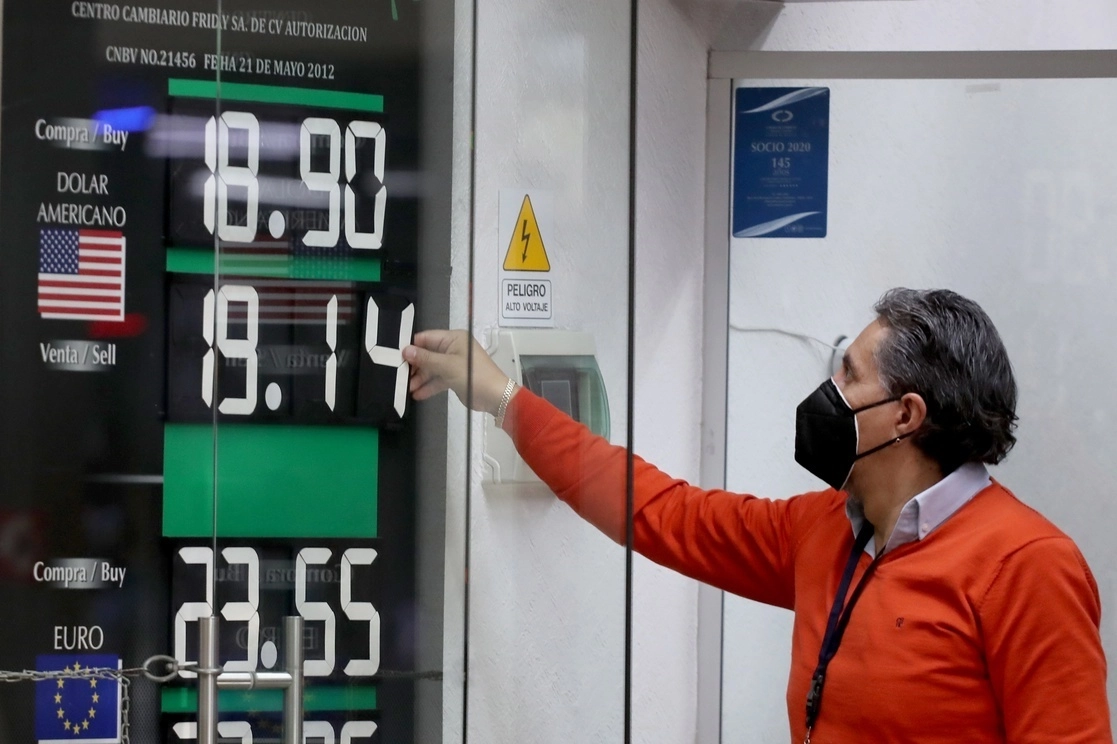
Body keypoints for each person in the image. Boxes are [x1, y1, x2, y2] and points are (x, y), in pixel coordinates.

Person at [403, 288, 1112, 743]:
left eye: (849, 374)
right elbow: (660, 512)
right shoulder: (826, 530)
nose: (826, 388)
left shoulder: (1026, 566)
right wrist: (504, 399)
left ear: (906, 415)